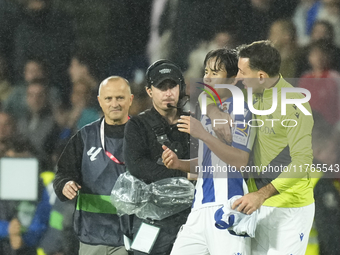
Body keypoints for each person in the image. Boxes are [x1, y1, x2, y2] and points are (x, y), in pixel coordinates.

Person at [161, 49, 255, 255]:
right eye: (206, 71)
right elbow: (206, 164)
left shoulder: (242, 110)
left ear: (233, 80)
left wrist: (203, 134)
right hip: (198, 210)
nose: (207, 77)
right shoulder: (205, 112)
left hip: (229, 208)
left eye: (215, 72)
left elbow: (240, 161)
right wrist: (179, 163)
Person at [233, 40, 314, 255]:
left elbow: (302, 161)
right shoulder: (248, 95)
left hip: (290, 208)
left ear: (261, 76)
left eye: (242, 72)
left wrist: (262, 194)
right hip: (256, 205)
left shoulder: (294, 102)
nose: (238, 77)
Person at [53, 76, 134, 255]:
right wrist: (65, 184)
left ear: (130, 99)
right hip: (92, 237)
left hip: (131, 238)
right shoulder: (84, 137)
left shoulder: (143, 136)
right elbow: (63, 173)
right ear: (100, 101)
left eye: (120, 98)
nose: (115, 104)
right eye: (108, 98)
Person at [123, 60, 191, 255]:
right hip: (151, 220)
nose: (168, 92)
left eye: (172, 86)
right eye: (161, 87)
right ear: (150, 91)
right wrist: (184, 174)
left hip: (190, 218)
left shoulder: (194, 122)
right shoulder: (137, 125)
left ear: (181, 88)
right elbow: (136, 165)